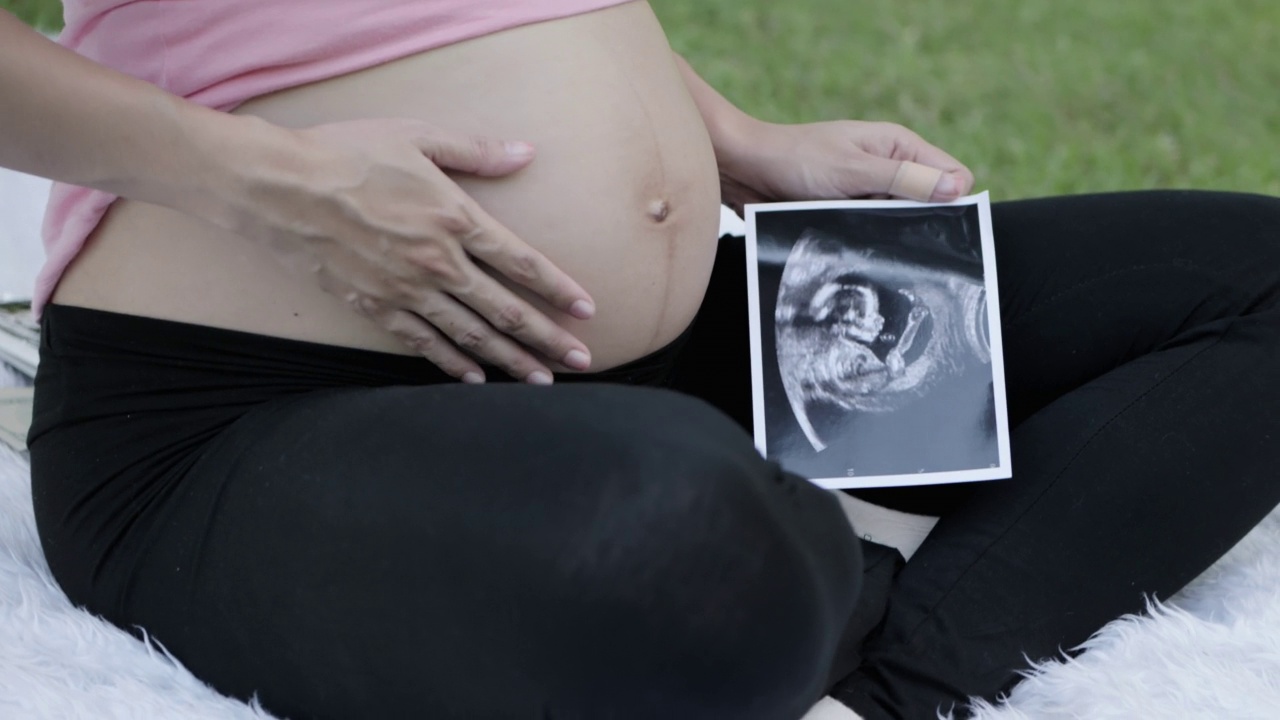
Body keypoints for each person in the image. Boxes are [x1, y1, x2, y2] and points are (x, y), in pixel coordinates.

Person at [2, 2, 1277, 718]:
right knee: (676, 531)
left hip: (661, 343)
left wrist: (726, 138)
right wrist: (265, 178)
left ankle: (880, 692)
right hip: (261, 403)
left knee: (1256, 284)